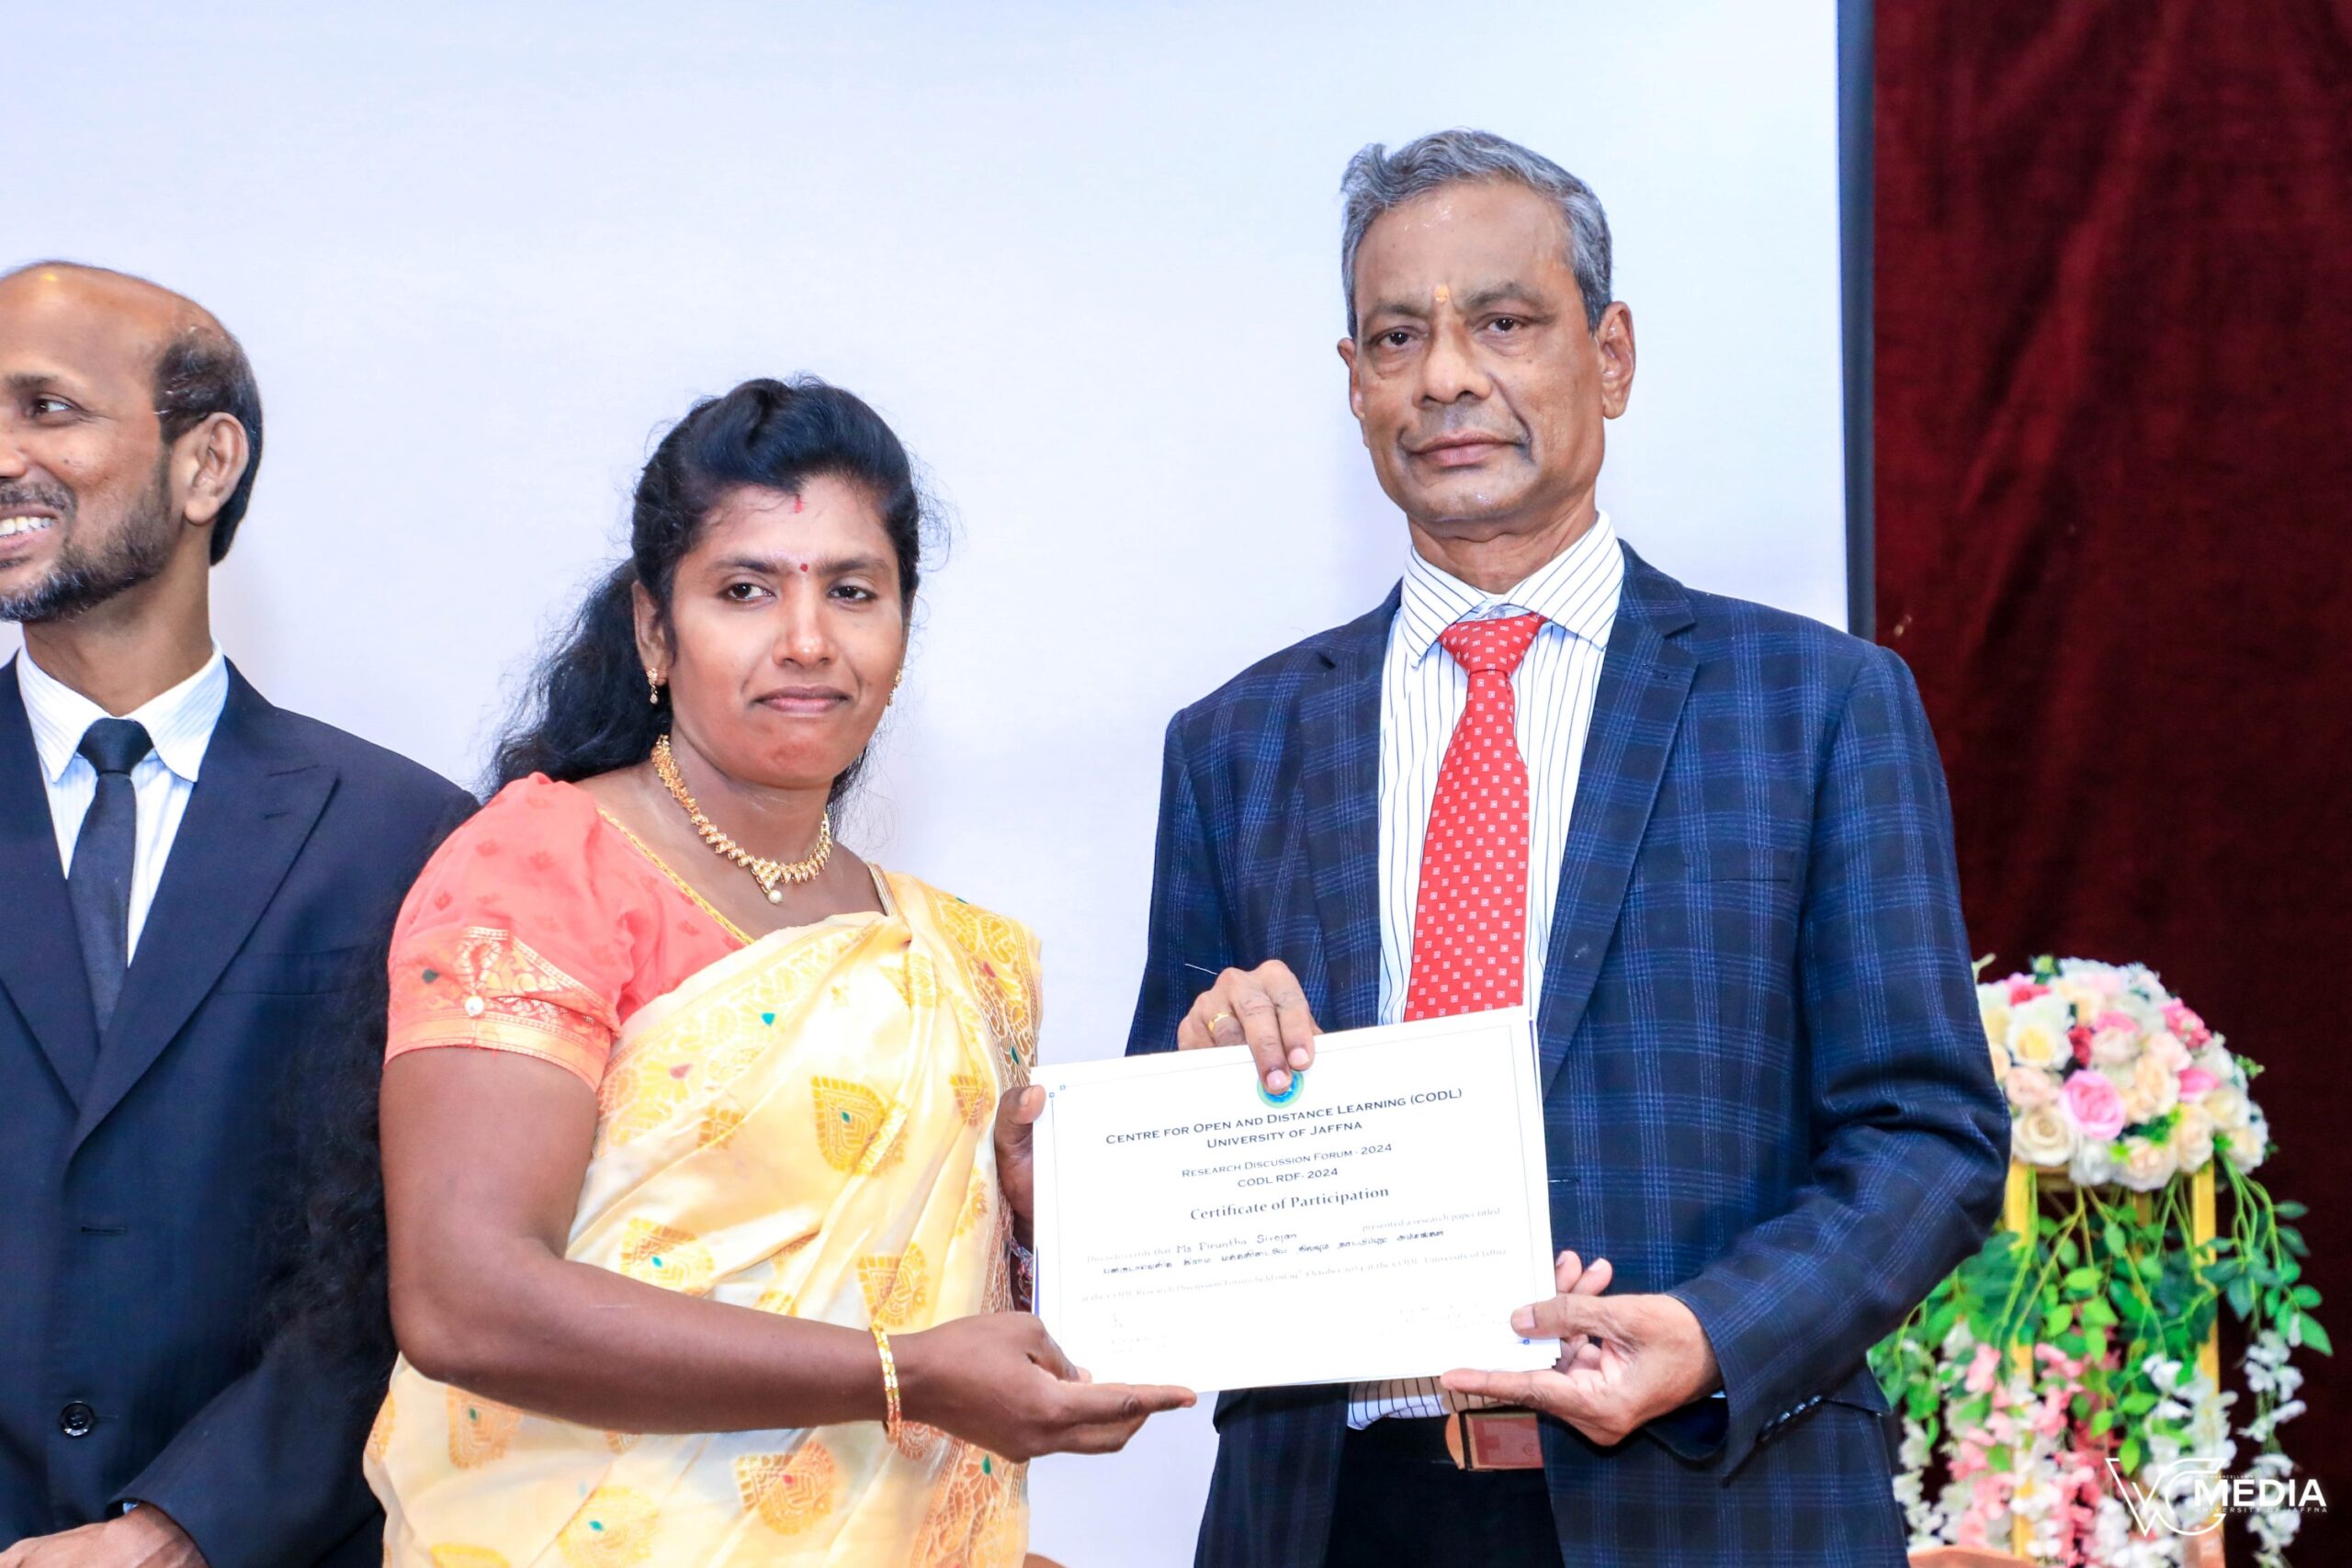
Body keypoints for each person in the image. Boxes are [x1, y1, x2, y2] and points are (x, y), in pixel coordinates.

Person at [1127, 130, 2009, 1567]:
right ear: (1352, 382)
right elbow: (1165, 1163)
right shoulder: (1237, 743)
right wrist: (1198, 1085)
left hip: (1718, 1499)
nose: (1446, 377)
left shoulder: (1818, 705)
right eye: (1397, 337)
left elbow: (1931, 1133)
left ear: (1610, 357)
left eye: (1502, 321)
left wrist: (1714, 1334)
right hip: (1334, 1516)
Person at [368, 377, 1193, 1565]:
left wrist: (1040, 1221)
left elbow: (960, 1317)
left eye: (853, 591)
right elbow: (464, 1298)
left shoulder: (962, 959)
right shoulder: (544, 869)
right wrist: (903, 1378)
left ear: (903, 628)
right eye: (746, 590)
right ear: (656, 630)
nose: (807, 640)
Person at [0, 262, 474, 1566]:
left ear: (207, 464)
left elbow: (421, 1257)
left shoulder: (406, 837)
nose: (3, 453)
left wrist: (186, 1525)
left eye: (47, 407)